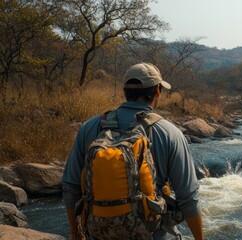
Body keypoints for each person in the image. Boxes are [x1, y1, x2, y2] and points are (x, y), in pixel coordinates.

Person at [62, 63, 204, 240]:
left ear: (125, 92)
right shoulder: (170, 133)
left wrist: (75, 233)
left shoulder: (89, 127)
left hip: (99, 235)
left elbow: (70, 187)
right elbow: (188, 199)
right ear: (157, 91)